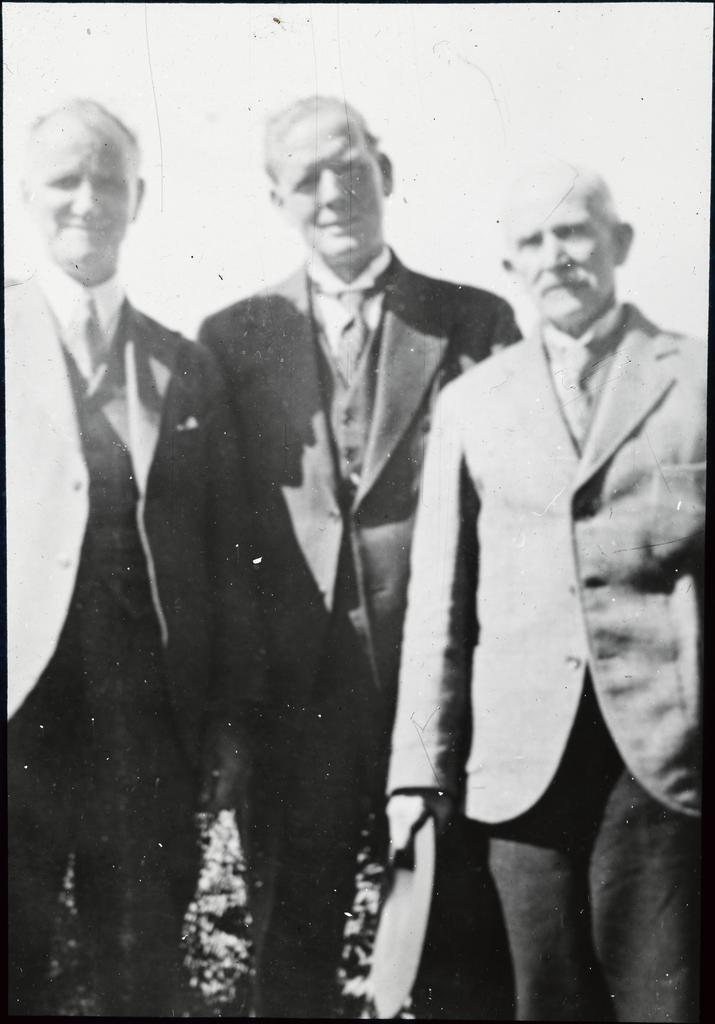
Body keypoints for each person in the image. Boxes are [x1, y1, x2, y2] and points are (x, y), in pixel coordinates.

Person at [198, 95, 520, 1018]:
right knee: (287, 957)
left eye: (351, 167)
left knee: (454, 954)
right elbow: (221, 543)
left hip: (433, 705)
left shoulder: (472, 321)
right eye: (307, 178)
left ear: (386, 173)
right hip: (292, 711)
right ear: (276, 199)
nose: (334, 192)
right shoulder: (233, 336)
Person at [387, 160, 704, 1022]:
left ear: (619, 244)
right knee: (541, 1001)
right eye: (532, 240)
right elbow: (438, 608)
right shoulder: (472, 402)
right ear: (508, 268)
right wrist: (416, 772)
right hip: (517, 769)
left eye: (574, 232)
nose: (555, 256)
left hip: (665, 768)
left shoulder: (696, 379)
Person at [6, 98, 264, 1016]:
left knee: (140, 966)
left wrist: (227, 720)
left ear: (138, 197)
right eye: (63, 181)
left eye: (105, 180)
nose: (85, 200)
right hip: (15, 717)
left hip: (144, 724)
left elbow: (229, 559)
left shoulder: (182, 364)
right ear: (24, 194)